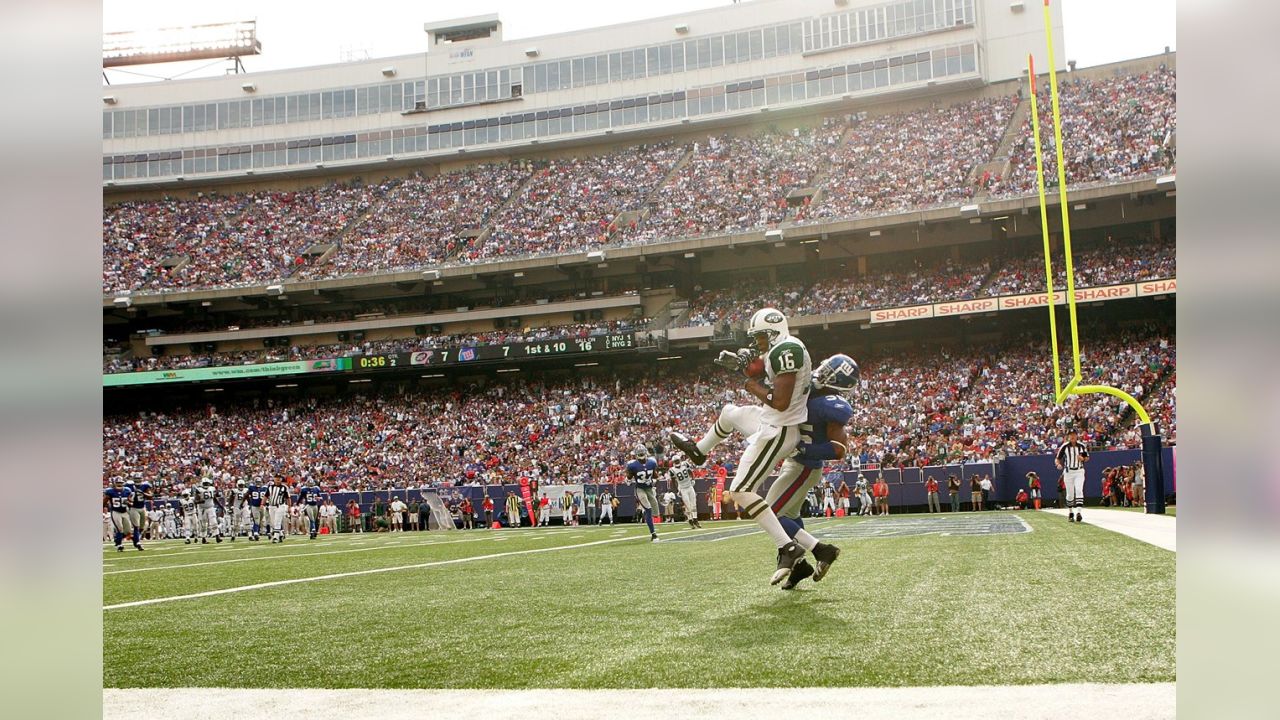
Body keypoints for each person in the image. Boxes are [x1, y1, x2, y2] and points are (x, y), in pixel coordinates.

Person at [669, 307, 817, 585]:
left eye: (761, 337)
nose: (757, 342)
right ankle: (699, 451)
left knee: (740, 491)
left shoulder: (788, 351)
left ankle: (788, 547)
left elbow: (780, 400)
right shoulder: (783, 348)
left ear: (774, 333)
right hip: (772, 420)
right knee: (730, 412)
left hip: (779, 429)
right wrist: (741, 364)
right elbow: (762, 367)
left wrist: (749, 383)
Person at [762, 352, 858, 589]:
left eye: (829, 371)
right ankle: (799, 568)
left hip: (804, 466)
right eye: (825, 367)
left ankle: (822, 550)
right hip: (796, 464)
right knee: (791, 517)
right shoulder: (807, 388)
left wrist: (803, 449)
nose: (822, 372)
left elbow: (838, 450)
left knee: (771, 513)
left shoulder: (831, 406)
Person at [626, 444, 662, 542]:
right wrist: (628, 479)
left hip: (649, 489)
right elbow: (628, 477)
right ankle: (653, 534)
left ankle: (653, 526)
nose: (641, 455)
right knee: (648, 509)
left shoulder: (652, 462)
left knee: (655, 510)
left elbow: (655, 475)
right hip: (640, 489)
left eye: (642, 453)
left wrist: (655, 480)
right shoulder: (632, 465)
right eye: (640, 453)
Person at [1055, 429, 1089, 523]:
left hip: (1079, 471)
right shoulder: (1065, 446)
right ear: (1068, 436)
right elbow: (1057, 458)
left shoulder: (1081, 446)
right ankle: (1070, 512)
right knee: (1070, 493)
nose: (1072, 436)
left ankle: (1079, 512)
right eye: (1071, 435)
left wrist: (1082, 458)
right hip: (1068, 472)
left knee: (1079, 489)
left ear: (1077, 435)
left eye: (1074, 434)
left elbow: (1087, 458)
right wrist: (1058, 464)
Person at [103, 477, 139, 552]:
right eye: (118, 483)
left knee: (128, 531)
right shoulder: (110, 491)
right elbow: (104, 501)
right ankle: (119, 545)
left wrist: (129, 503)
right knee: (120, 528)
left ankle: (117, 540)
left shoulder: (127, 490)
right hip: (115, 512)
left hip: (125, 512)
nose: (119, 484)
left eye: (121, 483)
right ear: (114, 483)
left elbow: (130, 502)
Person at [671, 458, 702, 529]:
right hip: (683, 489)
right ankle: (690, 520)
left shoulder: (685, 464)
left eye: (677, 460)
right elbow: (673, 481)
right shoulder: (672, 470)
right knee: (688, 506)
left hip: (690, 487)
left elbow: (691, 472)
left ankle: (695, 519)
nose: (677, 462)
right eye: (675, 461)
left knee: (694, 504)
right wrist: (677, 490)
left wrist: (693, 479)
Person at [196, 477, 223, 543]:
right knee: (203, 524)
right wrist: (199, 501)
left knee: (214, 522)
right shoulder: (199, 490)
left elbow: (214, 498)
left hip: (211, 507)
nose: (206, 484)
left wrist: (220, 505)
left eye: (207, 483)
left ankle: (217, 536)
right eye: (205, 483)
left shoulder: (211, 489)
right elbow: (195, 500)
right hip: (202, 509)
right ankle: (203, 538)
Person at [266, 475, 291, 543]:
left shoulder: (284, 487)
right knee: (273, 523)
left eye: (279, 478)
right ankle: (281, 534)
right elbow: (266, 496)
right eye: (276, 478)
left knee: (277, 521)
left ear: (281, 479)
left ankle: (275, 537)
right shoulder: (270, 487)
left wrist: (289, 506)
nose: (278, 479)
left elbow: (288, 498)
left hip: (280, 506)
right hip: (271, 506)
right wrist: (262, 504)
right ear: (274, 479)